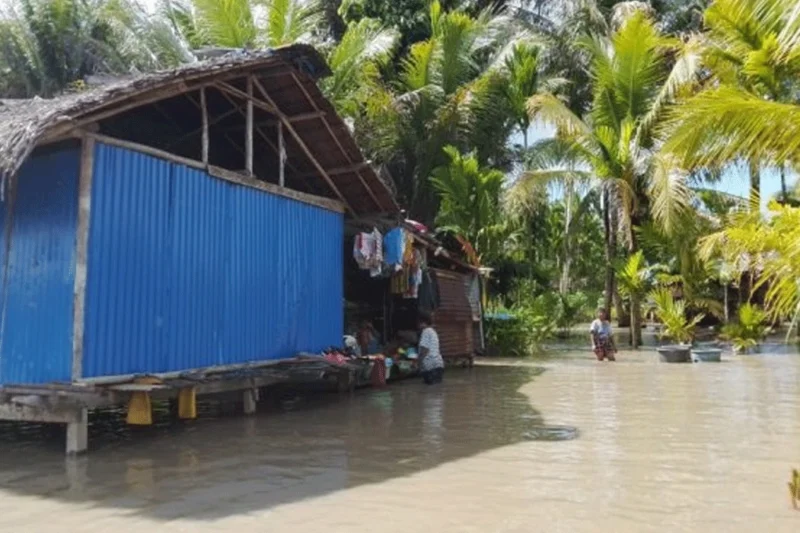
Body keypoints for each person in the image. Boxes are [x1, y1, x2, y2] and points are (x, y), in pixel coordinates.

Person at [418, 312, 444, 384]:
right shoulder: (433, 332)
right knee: (437, 389)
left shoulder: (426, 332)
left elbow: (424, 349)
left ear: (422, 322)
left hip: (430, 366)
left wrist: (419, 364)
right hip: (438, 364)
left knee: (429, 391)